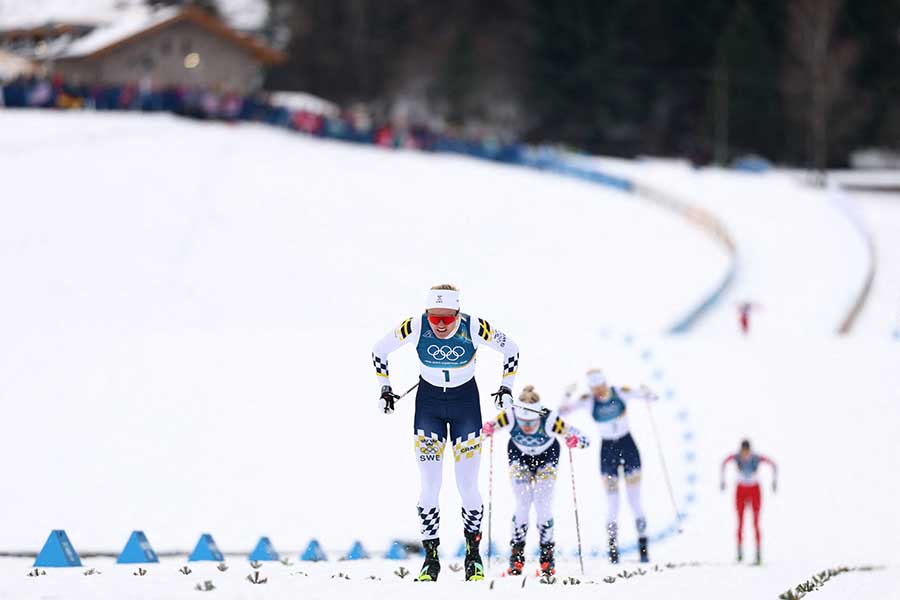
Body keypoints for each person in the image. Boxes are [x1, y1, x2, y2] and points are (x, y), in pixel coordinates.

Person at [372, 284, 519, 582]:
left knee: (467, 486)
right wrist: (385, 390)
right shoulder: (415, 325)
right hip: (429, 407)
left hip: (466, 406)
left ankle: (473, 557)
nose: (439, 325)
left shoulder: (474, 326)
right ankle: (430, 559)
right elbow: (379, 350)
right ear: (427, 313)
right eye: (434, 318)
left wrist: (506, 387)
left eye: (447, 319)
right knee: (429, 485)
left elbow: (511, 349)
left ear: (457, 313)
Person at [482, 385, 589, 576]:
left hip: (547, 458)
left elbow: (584, 438)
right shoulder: (510, 415)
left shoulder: (549, 419)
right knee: (523, 504)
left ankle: (547, 560)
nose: (528, 426)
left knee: (542, 505)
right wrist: (486, 430)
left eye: (532, 421)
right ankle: (516, 559)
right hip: (519, 457)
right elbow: (483, 431)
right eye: (524, 421)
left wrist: (576, 442)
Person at [559, 369, 657, 563]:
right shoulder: (588, 401)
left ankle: (643, 548)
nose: (599, 392)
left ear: (606, 383)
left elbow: (652, 397)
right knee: (613, 503)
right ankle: (613, 550)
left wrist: (646, 391)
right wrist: (567, 394)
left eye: (601, 387)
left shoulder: (620, 392)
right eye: (595, 388)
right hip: (608, 451)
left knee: (634, 501)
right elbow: (561, 412)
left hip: (628, 447)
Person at [720, 439, 777, 564]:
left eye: (747, 451)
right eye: (743, 451)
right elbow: (724, 462)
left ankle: (758, 553)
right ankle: (740, 552)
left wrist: (774, 482)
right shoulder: (736, 457)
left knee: (755, 522)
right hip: (741, 490)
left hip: (754, 490)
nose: (745, 454)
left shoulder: (756, 458)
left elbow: (773, 464)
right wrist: (722, 480)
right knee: (740, 522)